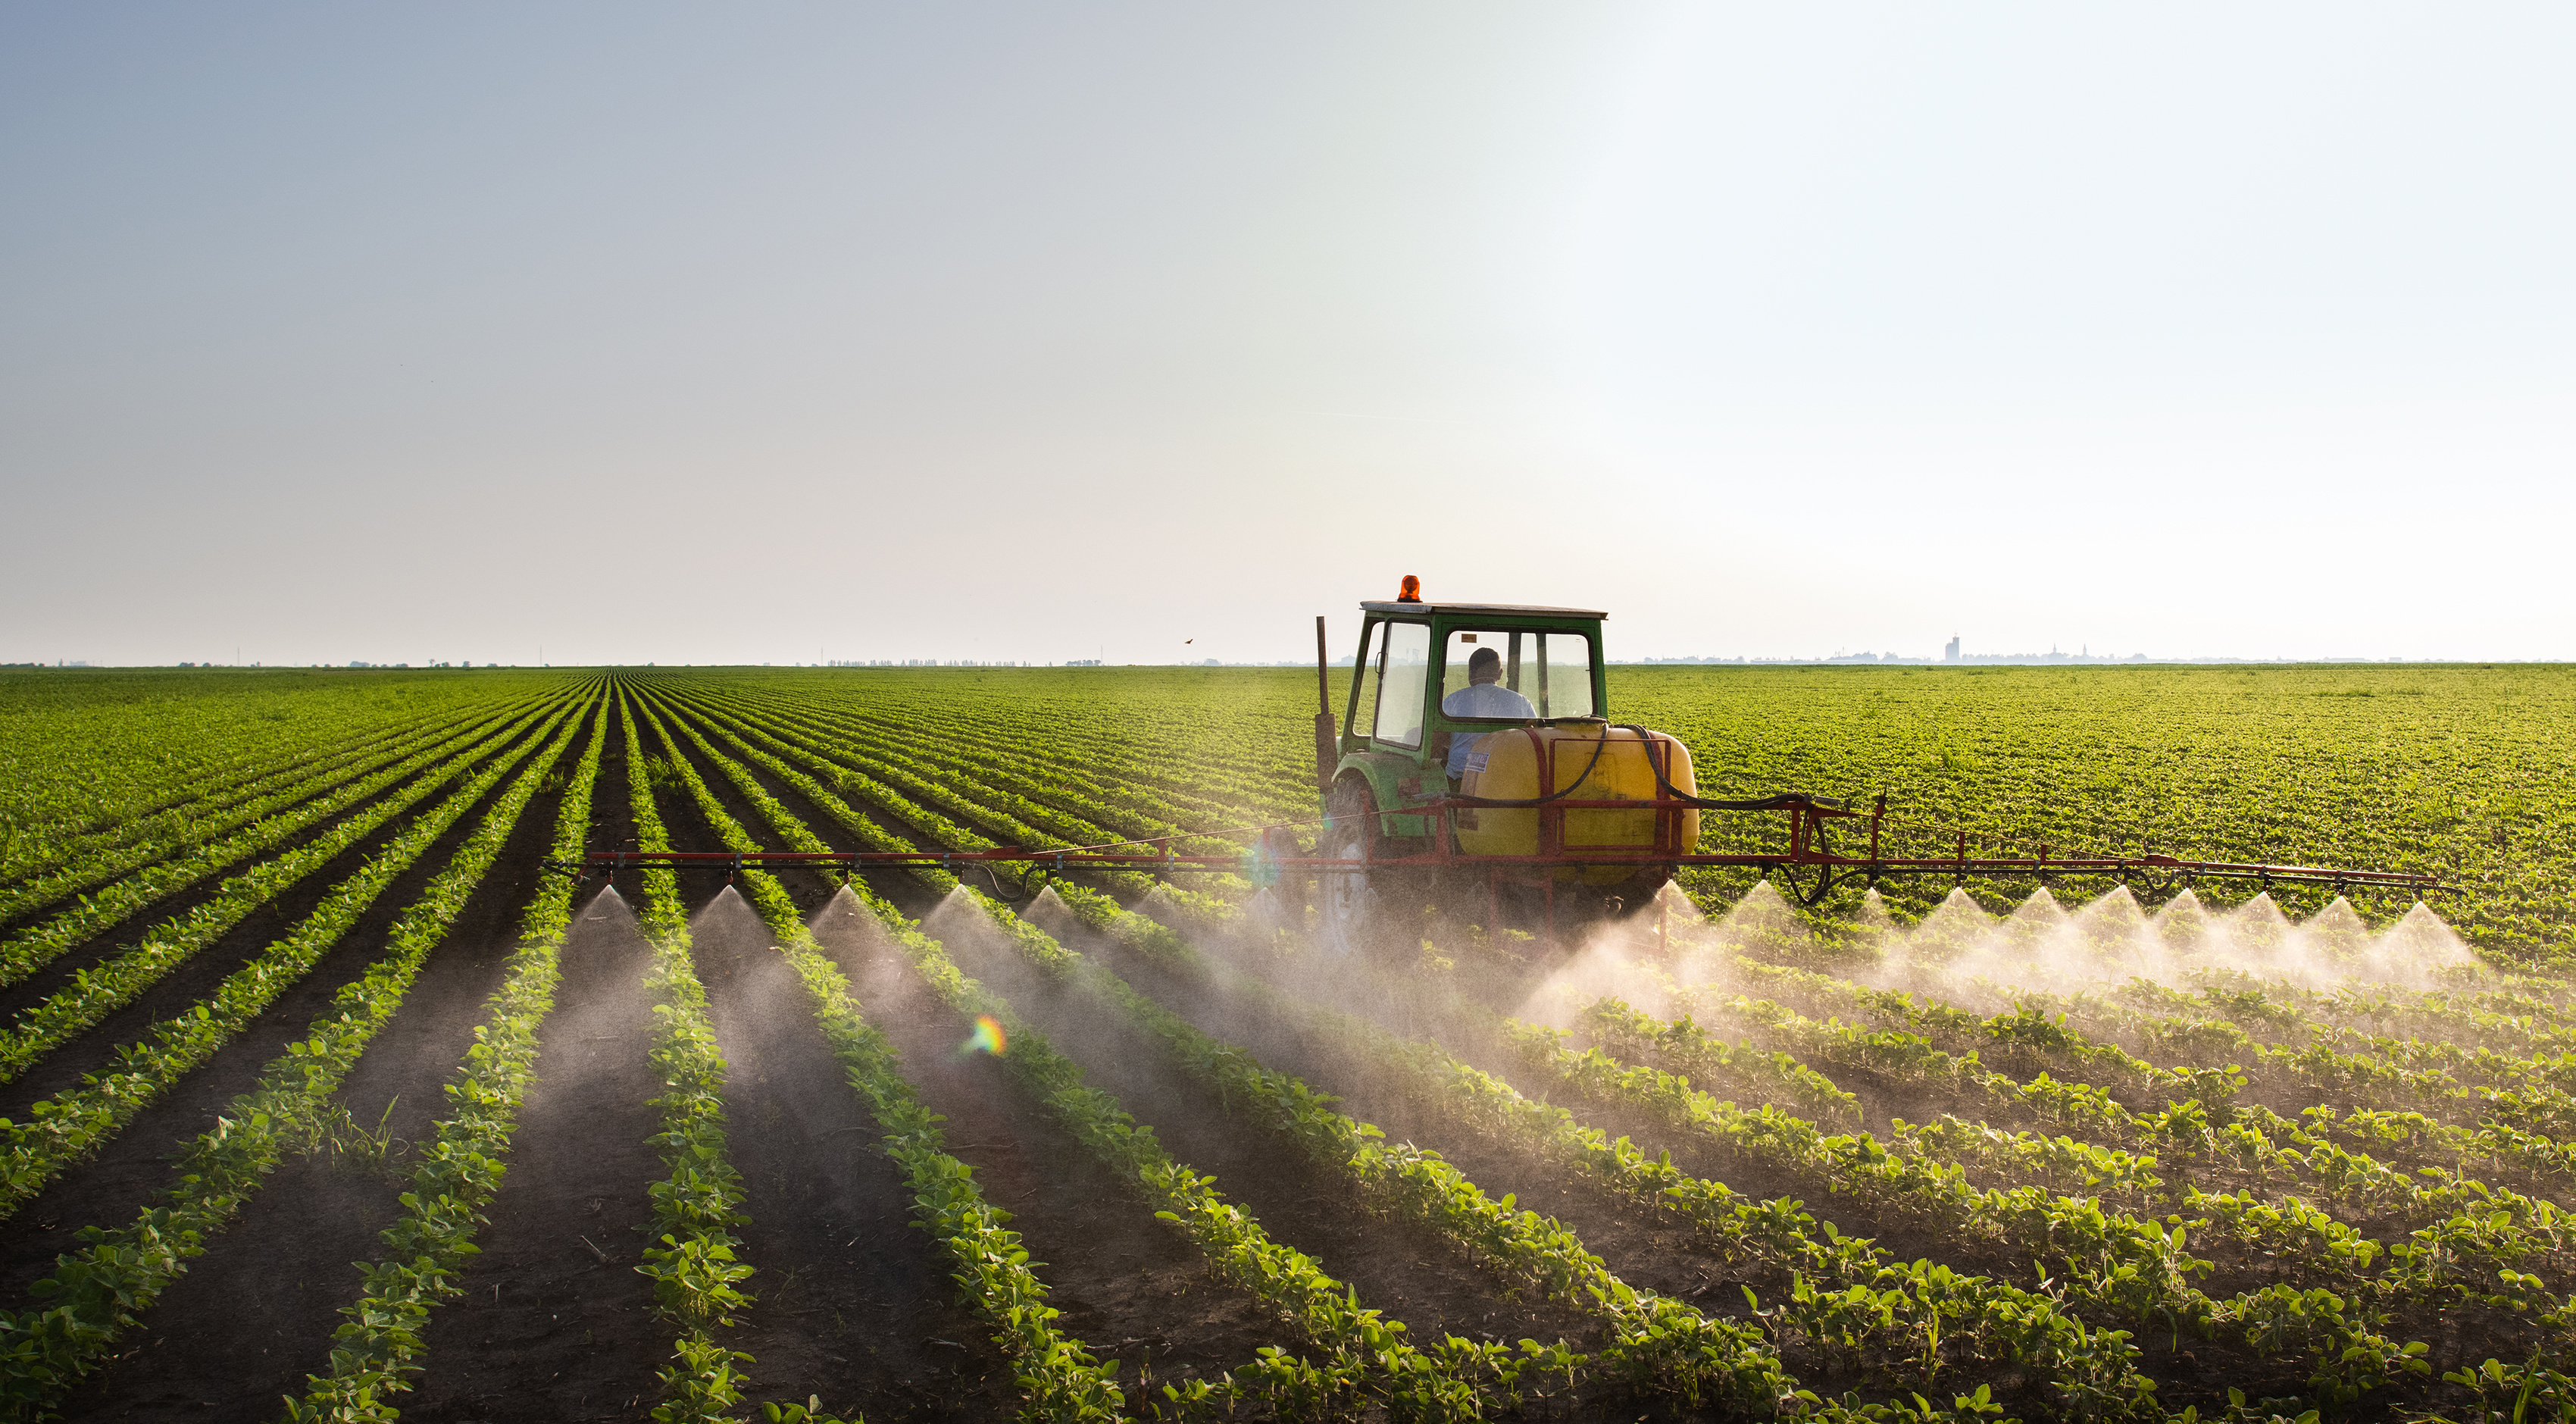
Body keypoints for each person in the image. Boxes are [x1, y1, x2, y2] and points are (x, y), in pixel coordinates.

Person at [1441, 646, 1536, 777]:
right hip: (1507, 779)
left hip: (1460, 777)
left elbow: (1437, 741)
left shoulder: (1453, 700)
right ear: (1500, 674)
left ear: (1471, 672)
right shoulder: (1522, 702)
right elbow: (1534, 739)